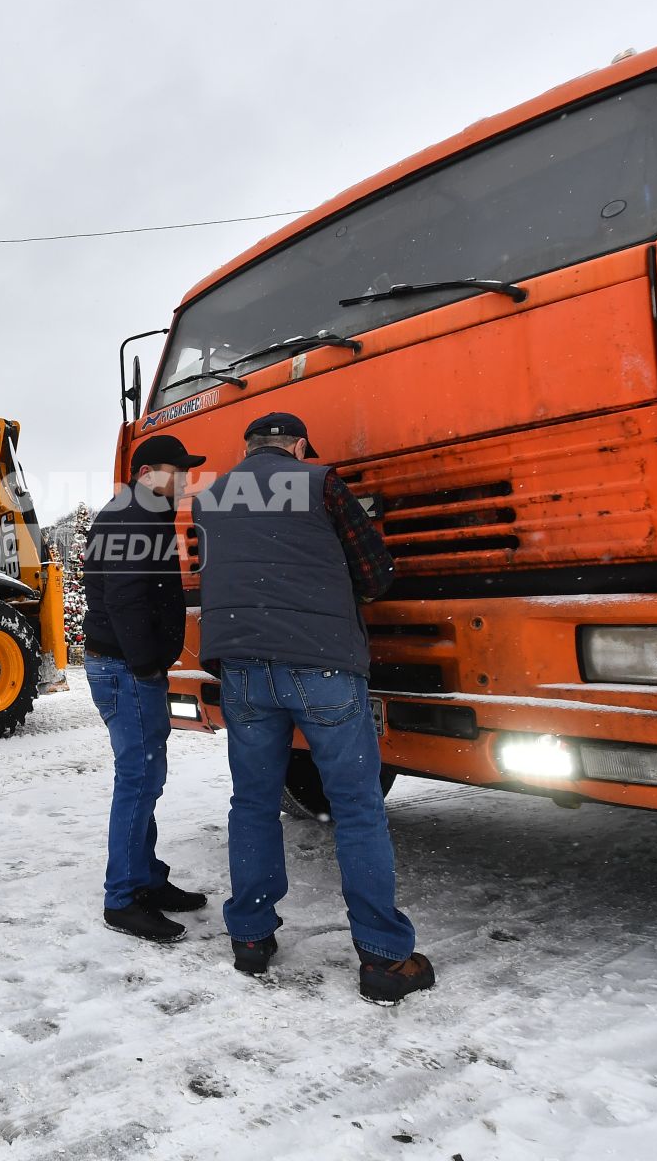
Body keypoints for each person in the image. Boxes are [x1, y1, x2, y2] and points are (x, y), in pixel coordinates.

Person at [191, 412, 435, 1005]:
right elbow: (375, 575)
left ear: (247, 448)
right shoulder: (322, 482)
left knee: (252, 804)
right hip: (322, 665)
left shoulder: (211, 497)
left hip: (244, 669)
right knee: (356, 808)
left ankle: (250, 938)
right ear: (298, 446)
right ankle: (382, 957)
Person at [81, 433, 207, 942]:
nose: (186, 480)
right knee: (138, 779)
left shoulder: (134, 512)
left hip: (124, 667)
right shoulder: (133, 517)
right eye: (180, 471)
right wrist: (148, 665)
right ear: (153, 471)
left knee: (146, 776)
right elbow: (127, 599)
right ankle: (124, 897)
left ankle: (146, 878)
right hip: (126, 670)